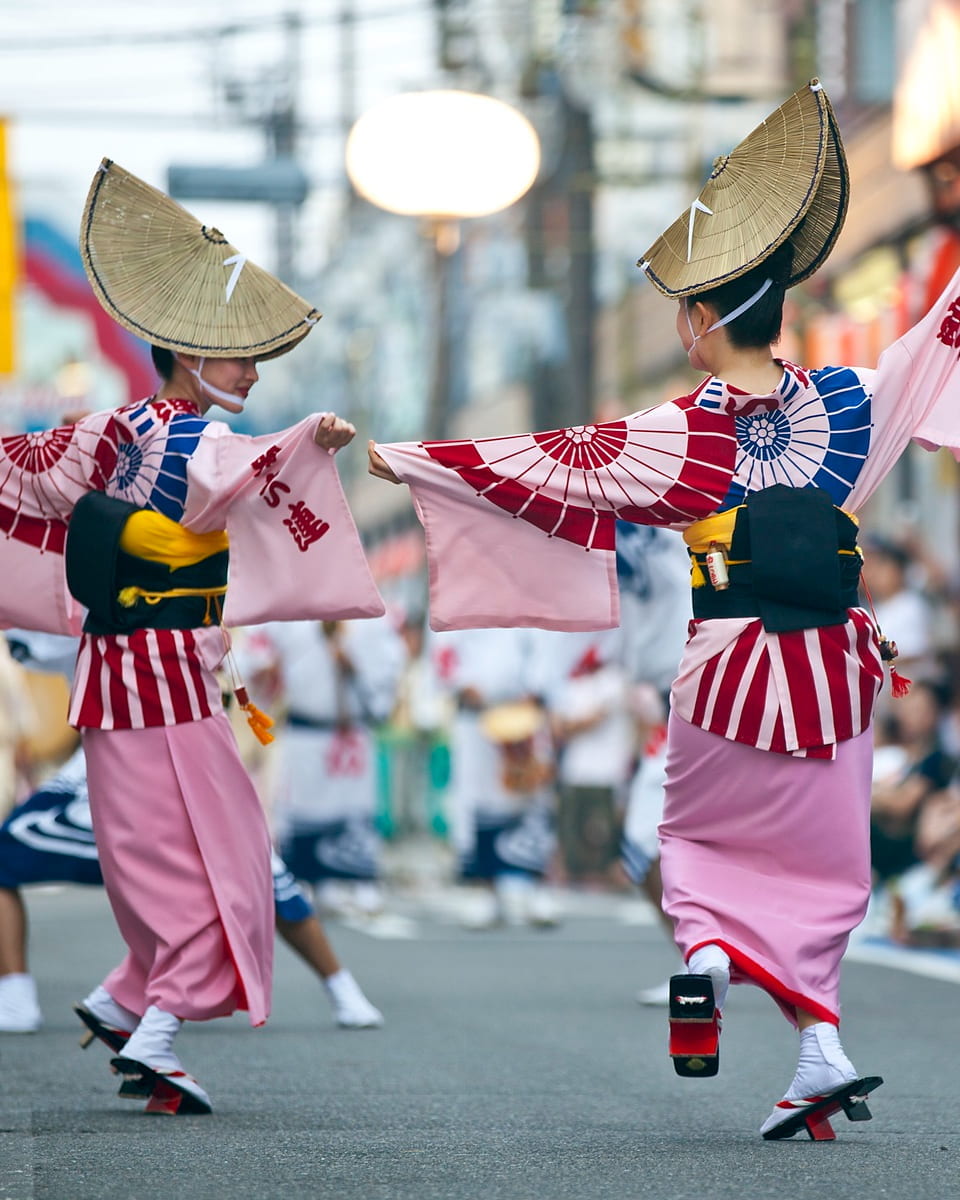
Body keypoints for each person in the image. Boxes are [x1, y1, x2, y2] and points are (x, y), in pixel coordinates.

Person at [367, 79, 960, 1139]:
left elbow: (542, 470)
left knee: (692, 841)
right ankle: (819, 1048)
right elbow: (932, 358)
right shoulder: (852, 399)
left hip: (726, 663)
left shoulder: (677, 434)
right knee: (826, 867)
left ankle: (704, 961)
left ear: (697, 322)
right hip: (834, 667)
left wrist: (412, 461)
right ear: (780, 311)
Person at [0, 160, 384, 1114]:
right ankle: (159, 1028)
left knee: (148, 857)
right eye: (238, 357)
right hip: (171, 675)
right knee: (229, 861)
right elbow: (248, 472)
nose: (251, 373)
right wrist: (314, 441)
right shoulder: (203, 445)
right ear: (188, 356)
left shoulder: (98, 433)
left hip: (106, 674)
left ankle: (122, 998)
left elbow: (28, 480)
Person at [0, 632, 382, 1037]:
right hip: (107, 770)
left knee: (257, 874)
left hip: (185, 760)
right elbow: (33, 637)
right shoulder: (91, 605)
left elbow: (232, 664)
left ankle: (338, 984)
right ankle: (25, 994)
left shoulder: (193, 604)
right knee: (8, 854)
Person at [243, 616, 406, 918]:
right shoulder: (290, 617)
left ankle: (360, 882)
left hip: (350, 730)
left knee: (353, 808)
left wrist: (356, 667)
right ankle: (311, 880)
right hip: (305, 730)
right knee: (304, 806)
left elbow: (390, 666)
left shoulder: (371, 618)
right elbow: (256, 659)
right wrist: (267, 670)